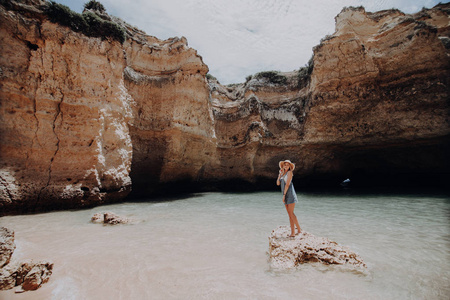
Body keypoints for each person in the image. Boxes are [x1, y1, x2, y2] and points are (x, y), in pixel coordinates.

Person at [276, 160, 301, 237]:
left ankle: (293, 232)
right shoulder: (283, 174)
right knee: (290, 214)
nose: (286, 166)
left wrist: (284, 195)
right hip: (285, 194)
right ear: (282, 166)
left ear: (290, 166)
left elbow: (287, 185)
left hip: (289, 194)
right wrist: (279, 175)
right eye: (285, 165)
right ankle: (299, 229)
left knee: (291, 214)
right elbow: (277, 183)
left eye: (287, 165)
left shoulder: (290, 173)